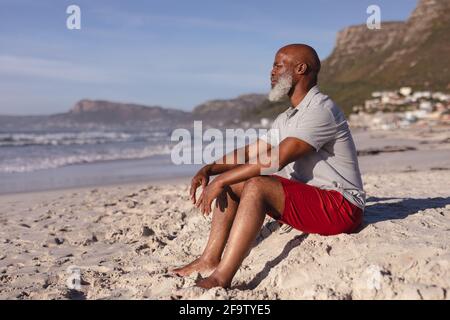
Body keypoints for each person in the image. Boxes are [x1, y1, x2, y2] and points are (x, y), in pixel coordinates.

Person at [171, 44, 366, 289]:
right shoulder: (287, 117)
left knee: (256, 184)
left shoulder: (320, 110)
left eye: (278, 65)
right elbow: (251, 152)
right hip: (310, 200)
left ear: (300, 69)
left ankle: (221, 278)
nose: (271, 72)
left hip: (341, 208)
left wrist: (221, 181)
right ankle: (209, 259)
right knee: (236, 180)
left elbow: (276, 159)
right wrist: (210, 169)